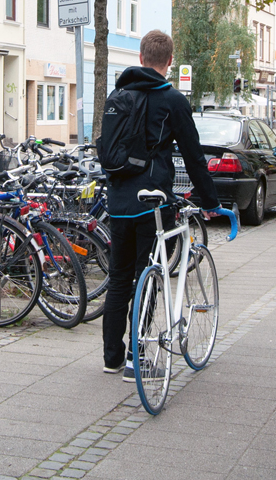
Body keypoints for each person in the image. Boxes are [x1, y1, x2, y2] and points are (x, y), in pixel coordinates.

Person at [101, 30, 220, 380]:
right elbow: (194, 157)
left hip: (118, 201)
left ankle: (112, 358)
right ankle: (136, 359)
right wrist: (210, 201)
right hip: (151, 204)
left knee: (119, 279)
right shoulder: (172, 99)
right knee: (147, 278)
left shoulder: (117, 94)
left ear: (140, 58)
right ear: (169, 62)